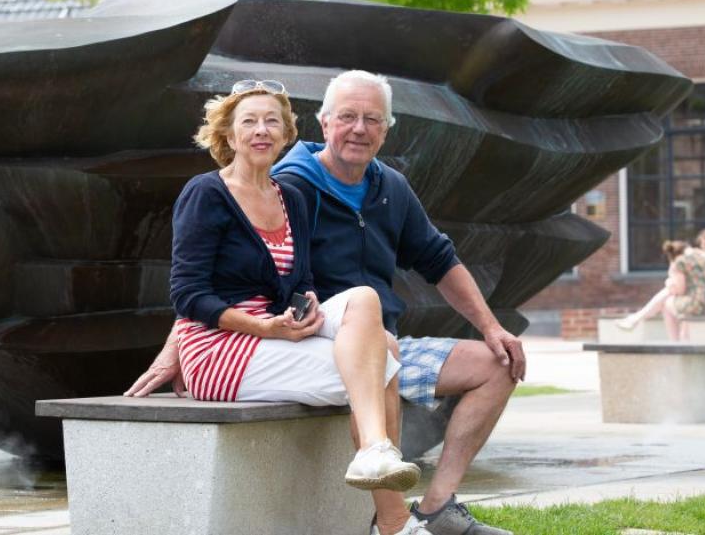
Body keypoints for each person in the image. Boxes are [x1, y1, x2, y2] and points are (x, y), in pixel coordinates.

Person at [129, 71, 522, 535]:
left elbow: (434, 259)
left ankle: (430, 509)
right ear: (324, 122)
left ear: (387, 127)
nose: (359, 128)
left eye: (371, 119)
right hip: (260, 342)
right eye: (348, 117)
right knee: (383, 359)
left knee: (459, 351)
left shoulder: (366, 188)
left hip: (330, 331)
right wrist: (179, 342)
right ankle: (391, 514)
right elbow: (195, 286)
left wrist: (491, 327)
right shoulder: (274, 183)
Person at [161, 79, 430, 535]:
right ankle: (392, 513)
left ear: (287, 135)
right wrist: (265, 328)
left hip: (274, 332)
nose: (261, 130)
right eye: (249, 122)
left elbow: (300, 283)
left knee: (369, 311)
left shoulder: (293, 198)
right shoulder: (206, 194)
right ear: (228, 135)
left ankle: (377, 463)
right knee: (381, 360)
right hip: (220, 349)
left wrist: (301, 316)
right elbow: (187, 294)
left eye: (272, 121)